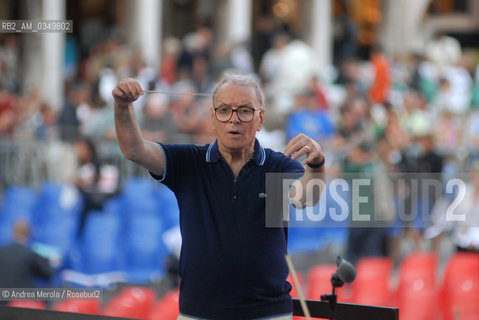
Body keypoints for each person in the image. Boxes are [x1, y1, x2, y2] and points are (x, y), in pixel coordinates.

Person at [112, 73, 325, 320]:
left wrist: (317, 163)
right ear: (213, 118)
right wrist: (122, 106)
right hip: (198, 312)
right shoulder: (189, 162)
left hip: (268, 313)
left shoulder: (278, 166)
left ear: (260, 119)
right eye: (224, 110)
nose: (233, 119)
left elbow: (307, 197)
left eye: (245, 111)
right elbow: (134, 150)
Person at [0, 220, 53, 288]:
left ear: (13, 233)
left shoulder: (2, 251)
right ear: (29, 234)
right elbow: (48, 274)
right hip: (21, 295)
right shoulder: (30, 254)